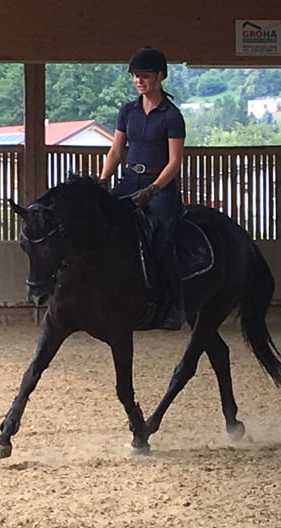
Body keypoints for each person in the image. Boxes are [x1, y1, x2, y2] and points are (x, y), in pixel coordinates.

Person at [98, 47, 187, 330]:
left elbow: (174, 162)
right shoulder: (127, 111)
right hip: (128, 180)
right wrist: (103, 180)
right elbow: (115, 150)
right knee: (101, 227)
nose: (139, 81)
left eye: (145, 76)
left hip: (158, 186)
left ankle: (176, 303)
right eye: (135, 76)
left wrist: (153, 189)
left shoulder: (171, 116)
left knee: (161, 242)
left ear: (160, 76)